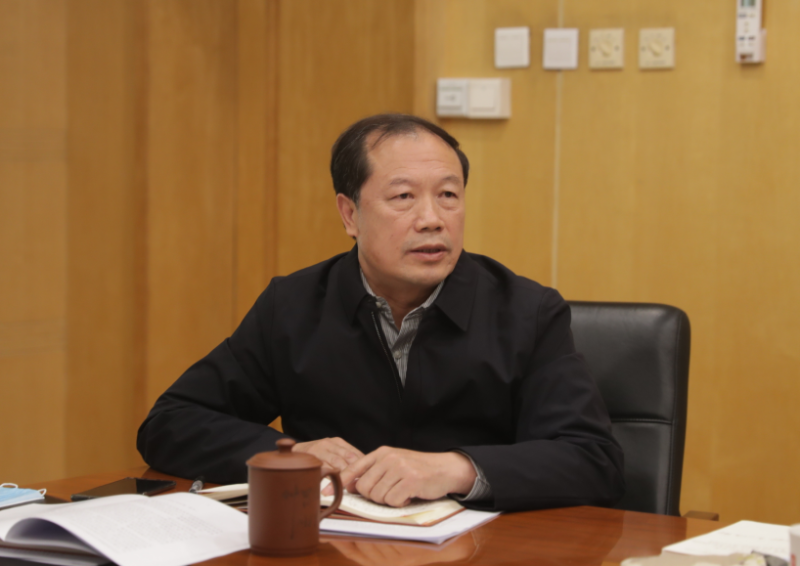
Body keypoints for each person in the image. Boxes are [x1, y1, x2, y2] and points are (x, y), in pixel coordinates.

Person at [137, 114, 625, 512]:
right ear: (350, 214)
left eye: (448, 196)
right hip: (336, 546)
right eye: (403, 197)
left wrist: (455, 468)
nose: (432, 219)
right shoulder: (294, 306)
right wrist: (291, 454)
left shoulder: (526, 311)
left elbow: (593, 459)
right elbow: (170, 423)